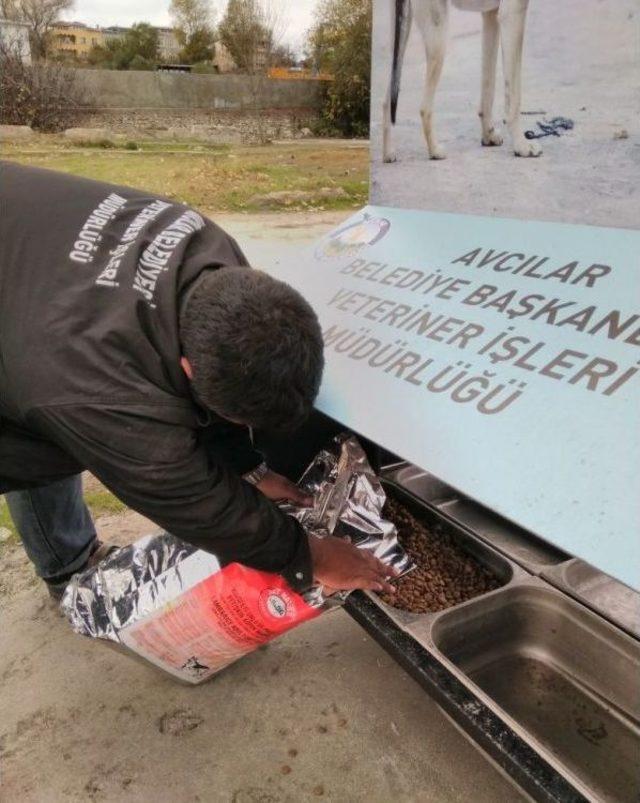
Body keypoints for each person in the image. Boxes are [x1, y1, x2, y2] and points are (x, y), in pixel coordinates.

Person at [0, 162, 396, 601]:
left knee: (47, 416)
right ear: (189, 369)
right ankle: (66, 571)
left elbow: (219, 380)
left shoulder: (214, 255)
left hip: (29, 272)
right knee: (36, 440)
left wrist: (248, 467)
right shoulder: (97, 390)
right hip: (41, 325)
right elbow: (191, 501)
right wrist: (310, 555)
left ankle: (65, 559)